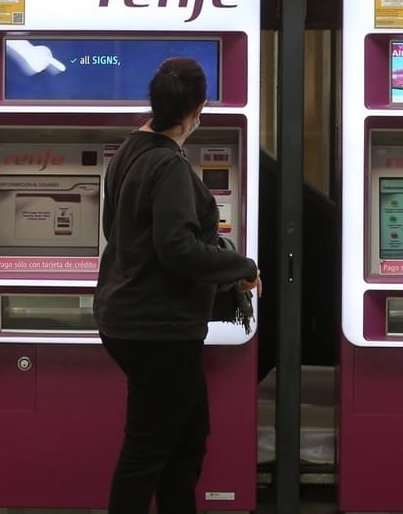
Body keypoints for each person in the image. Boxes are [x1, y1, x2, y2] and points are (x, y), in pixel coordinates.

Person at [94, 56, 262, 513]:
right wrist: (241, 268)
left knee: (186, 438)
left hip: (132, 317)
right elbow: (176, 248)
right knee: (148, 450)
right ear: (198, 108)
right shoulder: (167, 165)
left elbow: (117, 229)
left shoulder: (129, 150)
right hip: (158, 328)